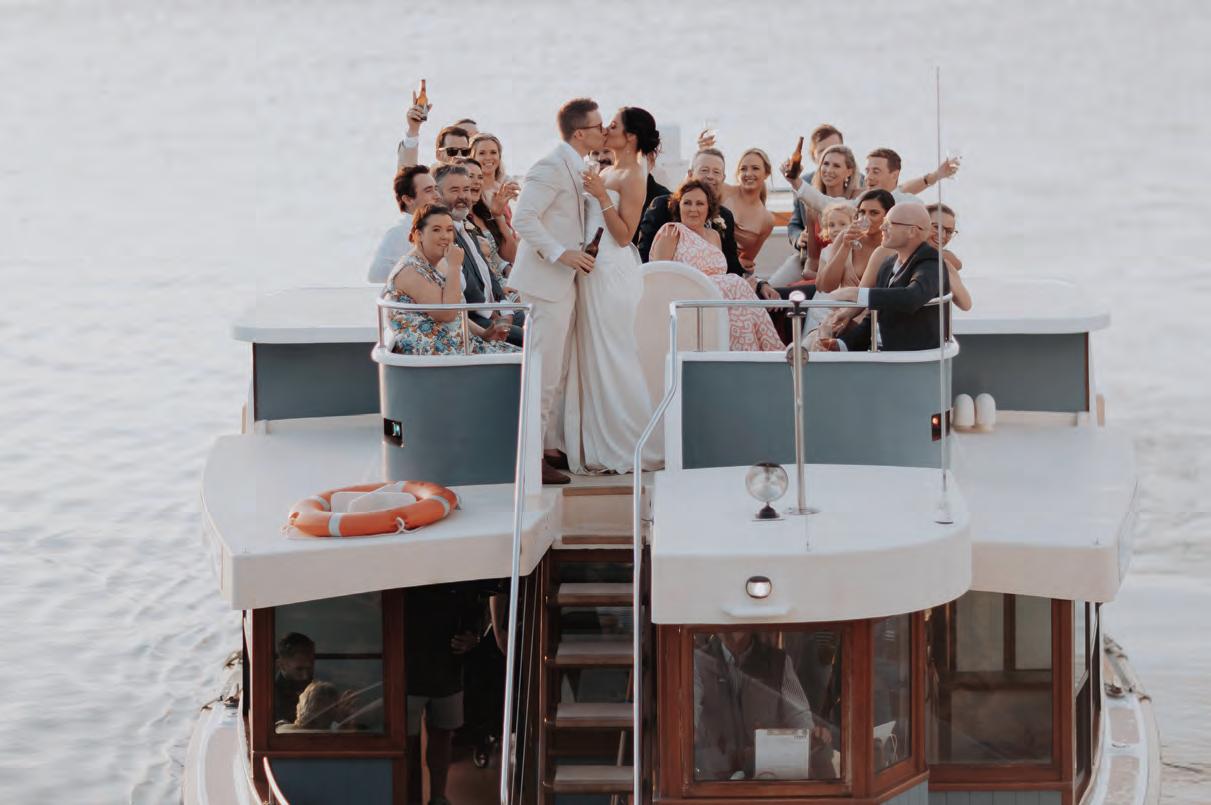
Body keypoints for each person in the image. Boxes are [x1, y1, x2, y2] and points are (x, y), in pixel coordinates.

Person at [509, 97, 606, 485]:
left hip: (564, 283)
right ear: (580, 133)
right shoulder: (550, 165)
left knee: (559, 371)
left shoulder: (578, 165)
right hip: (545, 282)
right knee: (544, 373)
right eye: (598, 126)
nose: (604, 131)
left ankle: (549, 446)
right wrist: (560, 253)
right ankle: (531, 458)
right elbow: (523, 218)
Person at [562, 106, 663, 474]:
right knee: (593, 356)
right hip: (590, 267)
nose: (605, 129)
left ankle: (633, 443)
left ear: (630, 136)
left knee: (616, 355)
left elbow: (624, 235)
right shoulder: (607, 169)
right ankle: (596, 441)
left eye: (614, 125)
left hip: (610, 271)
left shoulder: (634, 174)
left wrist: (601, 194)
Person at [649, 179, 783, 351]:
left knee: (738, 292)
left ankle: (757, 355)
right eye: (687, 203)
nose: (693, 209)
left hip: (717, 300)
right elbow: (659, 277)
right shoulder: (672, 231)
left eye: (699, 203)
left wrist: (753, 282)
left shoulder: (714, 235)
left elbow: (721, 274)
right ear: (678, 206)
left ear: (708, 208)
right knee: (735, 284)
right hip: (688, 299)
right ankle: (769, 349)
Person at [693, 632, 835, 781]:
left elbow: (799, 717)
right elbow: (689, 718)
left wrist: (811, 736)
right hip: (715, 780)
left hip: (768, 780)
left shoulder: (779, 662)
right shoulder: (697, 662)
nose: (733, 628)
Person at [382, 203, 517, 355]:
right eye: (436, 230)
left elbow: (456, 313)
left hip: (458, 346)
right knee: (524, 358)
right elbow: (447, 314)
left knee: (526, 354)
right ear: (419, 235)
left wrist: (484, 334)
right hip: (438, 356)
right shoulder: (411, 270)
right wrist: (455, 267)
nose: (445, 236)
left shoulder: (436, 264)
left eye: (449, 229)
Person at [817, 202, 950, 352]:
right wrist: (842, 345)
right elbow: (874, 317)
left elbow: (913, 297)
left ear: (912, 231)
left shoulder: (931, 262)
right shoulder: (888, 264)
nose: (882, 227)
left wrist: (858, 294)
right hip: (881, 352)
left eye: (889, 223)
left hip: (912, 357)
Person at [405, 582, 489, 805]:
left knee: (442, 736)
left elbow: (476, 607)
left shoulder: (461, 576)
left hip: (448, 671)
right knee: (404, 742)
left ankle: (438, 797)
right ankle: (404, 796)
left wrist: (474, 636)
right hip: (407, 671)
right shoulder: (404, 573)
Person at [434, 164, 524, 346]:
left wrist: (505, 308)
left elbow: (487, 272)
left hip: (495, 309)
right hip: (475, 318)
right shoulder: (444, 233)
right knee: (535, 338)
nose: (463, 196)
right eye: (455, 190)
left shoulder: (466, 225)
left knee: (538, 317)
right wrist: (493, 315)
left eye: (466, 190)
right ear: (439, 194)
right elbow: (466, 283)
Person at [636, 148, 746, 277]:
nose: (710, 176)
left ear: (723, 178)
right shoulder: (662, 206)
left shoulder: (725, 216)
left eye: (716, 172)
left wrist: (758, 283)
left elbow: (733, 267)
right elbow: (643, 257)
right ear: (690, 174)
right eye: (704, 170)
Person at [772, 144, 862, 285]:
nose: (829, 170)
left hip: (844, 276)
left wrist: (795, 181)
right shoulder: (811, 207)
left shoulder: (858, 200)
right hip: (817, 271)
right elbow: (812, 258)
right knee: (773, 290)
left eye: (836, 166)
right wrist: (808, 273)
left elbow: (828, 204)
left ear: (849, 172)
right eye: (825, 164)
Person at [367, 165, 439, 283]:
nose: (437, 195)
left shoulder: (439, 229)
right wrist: (423, 276)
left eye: (436, 189)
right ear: (408, 199)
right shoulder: (398, 233)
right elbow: (376, 275)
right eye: (428, 190)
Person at [816, 189, 896, 293]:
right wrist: (845, 247)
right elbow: (825, 287)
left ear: (888, 216)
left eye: (874, 213)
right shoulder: (845, 236)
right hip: (842, 302)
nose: (866, 218)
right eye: (862, 212)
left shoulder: (894, 245)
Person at [719, 148, 775, 274]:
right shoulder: (723, 191)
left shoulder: (767, 220)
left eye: (755, 168)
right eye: (743, 169)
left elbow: (746, 260)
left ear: (766, 173)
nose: (748, 173)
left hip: (731, 271)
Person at [462, 157, 519, 270]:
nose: (477, 181)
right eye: (470, 176)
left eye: (480, 177)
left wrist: (498, 216)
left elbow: (510, 256)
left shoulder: (484, 214)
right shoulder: (456, 220)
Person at [926, 202, 972, 311]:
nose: (942, 235)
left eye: (949, 232)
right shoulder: (895, 252)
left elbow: (966, 305)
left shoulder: (943, 263)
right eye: (936, 227)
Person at [274, 632, 315, 725]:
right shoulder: (272, 698)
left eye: (310, 668)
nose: (305, 675)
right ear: (281, 665)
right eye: (299, 669)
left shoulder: (315, 686)